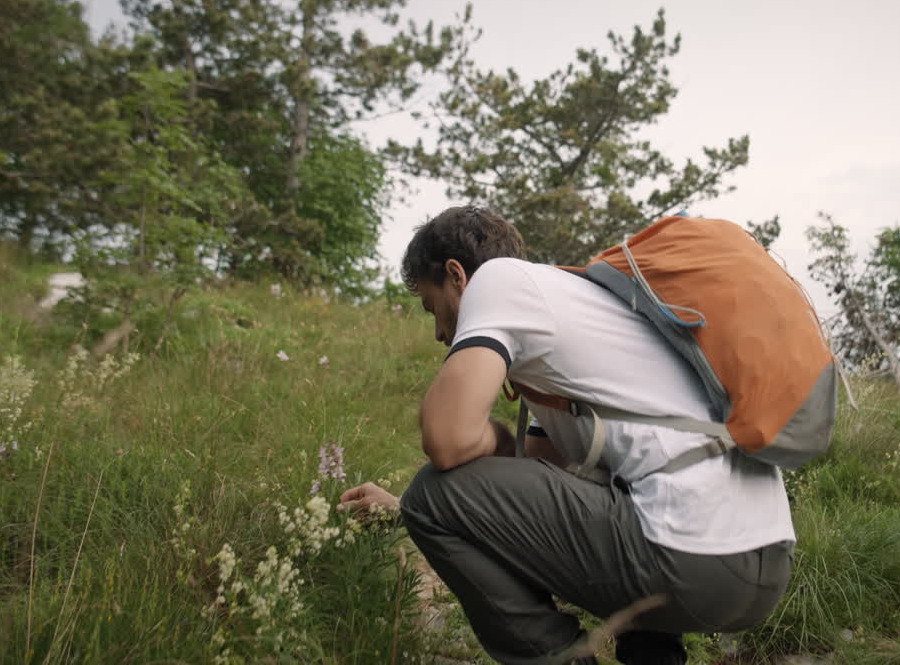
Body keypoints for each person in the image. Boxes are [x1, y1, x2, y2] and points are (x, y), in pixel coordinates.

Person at [339, 206, 794, 665]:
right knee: (625, 490)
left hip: (694, 557)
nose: (439, 331)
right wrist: (403, 513)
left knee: (434, 494)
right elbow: (530, 494)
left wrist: (424, 503)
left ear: (457, 276)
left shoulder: (498, 282)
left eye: (432, 307)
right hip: (760, 562)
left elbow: (447, 441)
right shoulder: (575, 316)